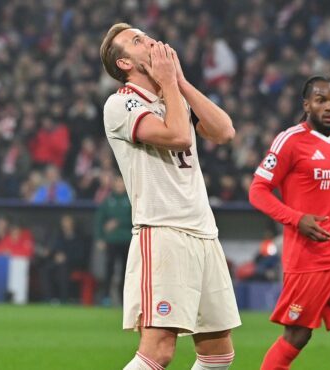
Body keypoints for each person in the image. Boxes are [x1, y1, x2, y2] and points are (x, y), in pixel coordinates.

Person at [99, 23, 240, 369]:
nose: (148, 41)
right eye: (136, 41)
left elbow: (224, 131)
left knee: (219, 354)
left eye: (145, 35)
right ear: (124, 64)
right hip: (163, 234)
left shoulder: (172, 97)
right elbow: (178, 135)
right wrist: (169, 85)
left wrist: (179, 82)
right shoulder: (120, 105)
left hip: (204, 234)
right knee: (158, 351)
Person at [249, 75, 330, 370]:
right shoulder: (290, 141)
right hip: (308, 260)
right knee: (297, 335)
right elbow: (257, 191)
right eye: (321, 100)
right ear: (306, 104)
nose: (329, 106)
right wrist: (296, 219)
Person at [93, 174, 132, 305]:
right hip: (111, 241)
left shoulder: (131, 200)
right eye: (117, 183)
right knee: (108, 269)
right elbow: (99, 220)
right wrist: (100, 238)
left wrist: (118, 222)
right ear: (114, 184)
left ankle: (124, 299)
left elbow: (136, 219)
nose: (119, 185)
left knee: (127, 271)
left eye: (122, 183)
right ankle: (106, 297)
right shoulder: (108, 200)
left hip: (127, 240)